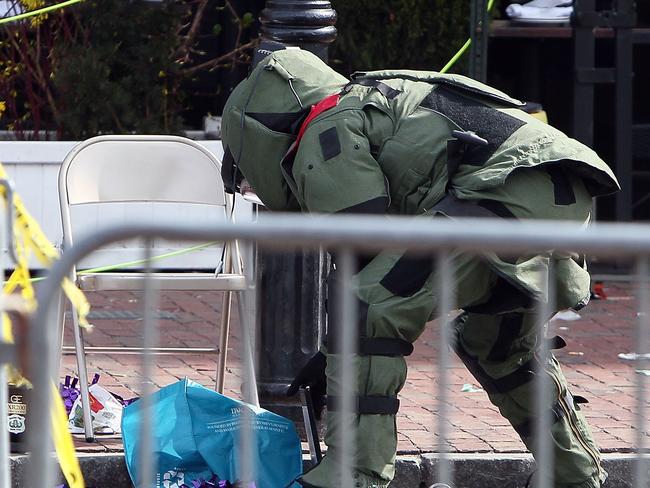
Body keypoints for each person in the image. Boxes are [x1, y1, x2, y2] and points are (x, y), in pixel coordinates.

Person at [219, 47, 619, 488]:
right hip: (554, 195)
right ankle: (575, 476)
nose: (252, 186)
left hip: (500, 196)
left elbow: (362, 239)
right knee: (498, 346)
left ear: (255, 131)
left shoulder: (326, 123)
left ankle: (352, 474)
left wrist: (343, 350)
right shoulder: (379, 96)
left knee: (368, 309)